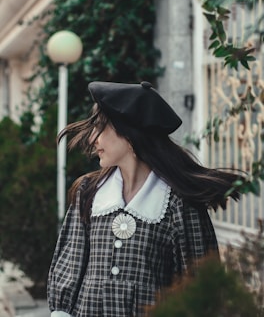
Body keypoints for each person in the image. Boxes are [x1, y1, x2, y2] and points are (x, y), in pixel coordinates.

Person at [47, 80, 241, 317]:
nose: (91, 140)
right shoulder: (89, 192)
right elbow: (70, 266)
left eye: (100, 128)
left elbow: (201, 286)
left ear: (128, 133)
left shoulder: (178, 203)